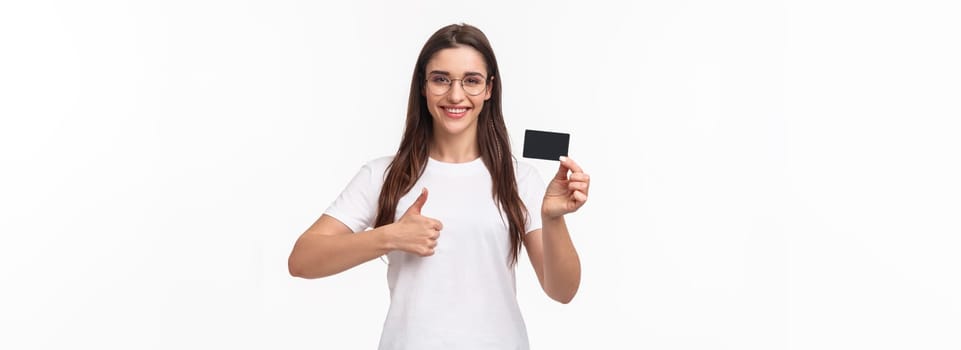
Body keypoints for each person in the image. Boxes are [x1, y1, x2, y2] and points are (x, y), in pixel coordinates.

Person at [287, 23, 590, 350]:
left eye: (471, 81)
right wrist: (389, 236)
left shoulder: (520, 178)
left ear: (489, 89)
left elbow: (563, 291)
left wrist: (554, 219)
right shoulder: (383, 175)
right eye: (441, 79)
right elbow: (302, 259)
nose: (455, 95)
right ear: (423, 86)